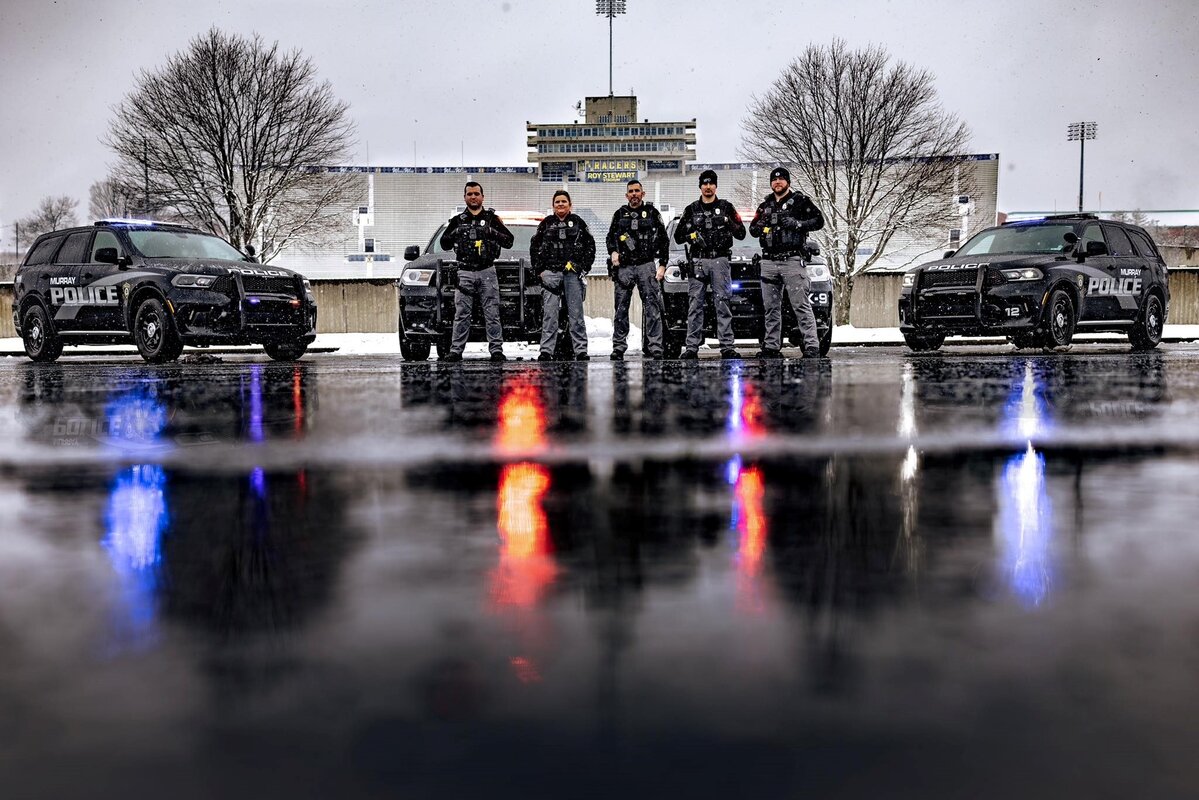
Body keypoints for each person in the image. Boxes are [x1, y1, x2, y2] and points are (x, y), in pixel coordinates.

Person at [749, 166, 825, 358]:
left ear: (788, 182)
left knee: (800, 305)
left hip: (792, 260)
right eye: (774, 180)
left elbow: (819, 220)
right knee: (771, 308)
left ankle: (811, 346)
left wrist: (797, 224)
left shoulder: (800, 201)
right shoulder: (766, 205)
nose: (777, 182)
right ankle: (772, 346)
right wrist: (763, 226)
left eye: (781, 179)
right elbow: (753, 229)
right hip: (769, 262)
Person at [672, 169, 746, 359]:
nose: (708, 187)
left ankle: (727, 346)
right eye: (704, 183)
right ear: (700, 186)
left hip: (720, 260)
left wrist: (728, 221)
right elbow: (679, 237)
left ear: (715, 186)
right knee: (695, 304)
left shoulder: (726, 207)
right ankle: (691, 347)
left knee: (722, 303)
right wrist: (692, 236)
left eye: (711, 183)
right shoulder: (691, 209)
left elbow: (741, 233)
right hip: (698, 261)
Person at [438, 181, 515, 363]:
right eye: (469, 194)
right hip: (464, 271)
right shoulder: (458, 220)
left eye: (476, 193)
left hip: (487, 270)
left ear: (482, 196)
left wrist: (491, 232)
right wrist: (456, 232)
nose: (473, 197)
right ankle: (456, 351)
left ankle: (496, 350)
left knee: (492, 313)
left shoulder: (491, 219)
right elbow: (444, 243)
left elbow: (509, 241)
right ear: (465, 197)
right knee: (462, 313)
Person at [605, 179, 669, 360]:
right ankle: (618, 346)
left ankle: (655, 346)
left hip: (646, 265)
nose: (634, 194)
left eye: (637, 191)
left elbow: (664, 240)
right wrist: (613, 252)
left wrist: (663, 264)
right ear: (627, 195)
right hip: (624, 267)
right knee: (620, 309)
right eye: (631, 191)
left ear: (643, 193)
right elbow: (610, 237)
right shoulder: (619, 214)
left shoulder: (652, 213)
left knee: (652, 308)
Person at [531, 190, 595, 361]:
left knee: (576, 315)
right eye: (557, 202)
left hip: (572, 275)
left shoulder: (578, 223)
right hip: (550, 275)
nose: (560, 204)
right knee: (550, 315)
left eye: (564, 201)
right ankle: (546, 351)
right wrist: (540, 271)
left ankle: (580, 350)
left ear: (570, 204)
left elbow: (590, 246)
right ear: (553, 206)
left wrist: (583, 267)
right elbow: (534, 248)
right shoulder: (546, 224)